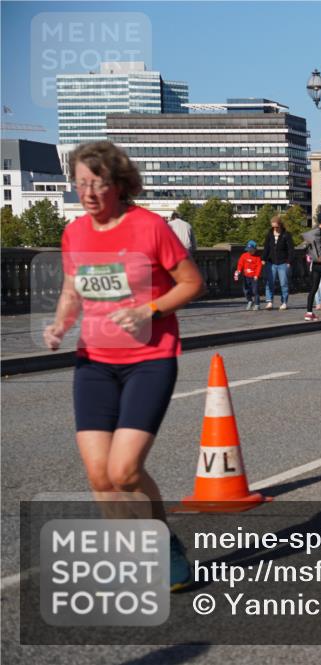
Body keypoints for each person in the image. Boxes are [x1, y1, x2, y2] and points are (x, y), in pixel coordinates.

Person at [42, 140, 205, 592]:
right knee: (99, 474)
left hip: (149, 359)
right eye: (80, 184)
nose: (88, 193)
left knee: (125, 471)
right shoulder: (75, 233)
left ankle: (165, 543)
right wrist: (59, 325)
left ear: (119, 183)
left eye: (98, 183)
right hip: (93, 362)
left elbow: (192, 283)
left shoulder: (150, 227)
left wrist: (148, 310)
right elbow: (73, 290)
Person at [262, 215, 294, 310]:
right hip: (271, 262)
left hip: (283, 263)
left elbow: (291, 250)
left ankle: (284, 302)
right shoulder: (269, 234)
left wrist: (289, 261)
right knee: (269, 282)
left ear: (280, 225)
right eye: (273, 227)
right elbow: (266, 248)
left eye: (276, 227)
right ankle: (269, 302)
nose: (275, 229)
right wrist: (263, 259)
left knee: (283, 283)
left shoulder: (286, 235)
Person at [234, 240, 263, 310]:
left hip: (254, 277)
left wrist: (257, 275)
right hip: (246, 276)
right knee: (246, 290)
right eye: (248, 250)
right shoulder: (244, 256)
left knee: (255, 291)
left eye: (251, 250)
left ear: (255, 249)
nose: (250, 251)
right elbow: (240, 264)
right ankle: (250, 301)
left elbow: (259, 267)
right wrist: (239, 270)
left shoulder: (257, 257)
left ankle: (257, 304)